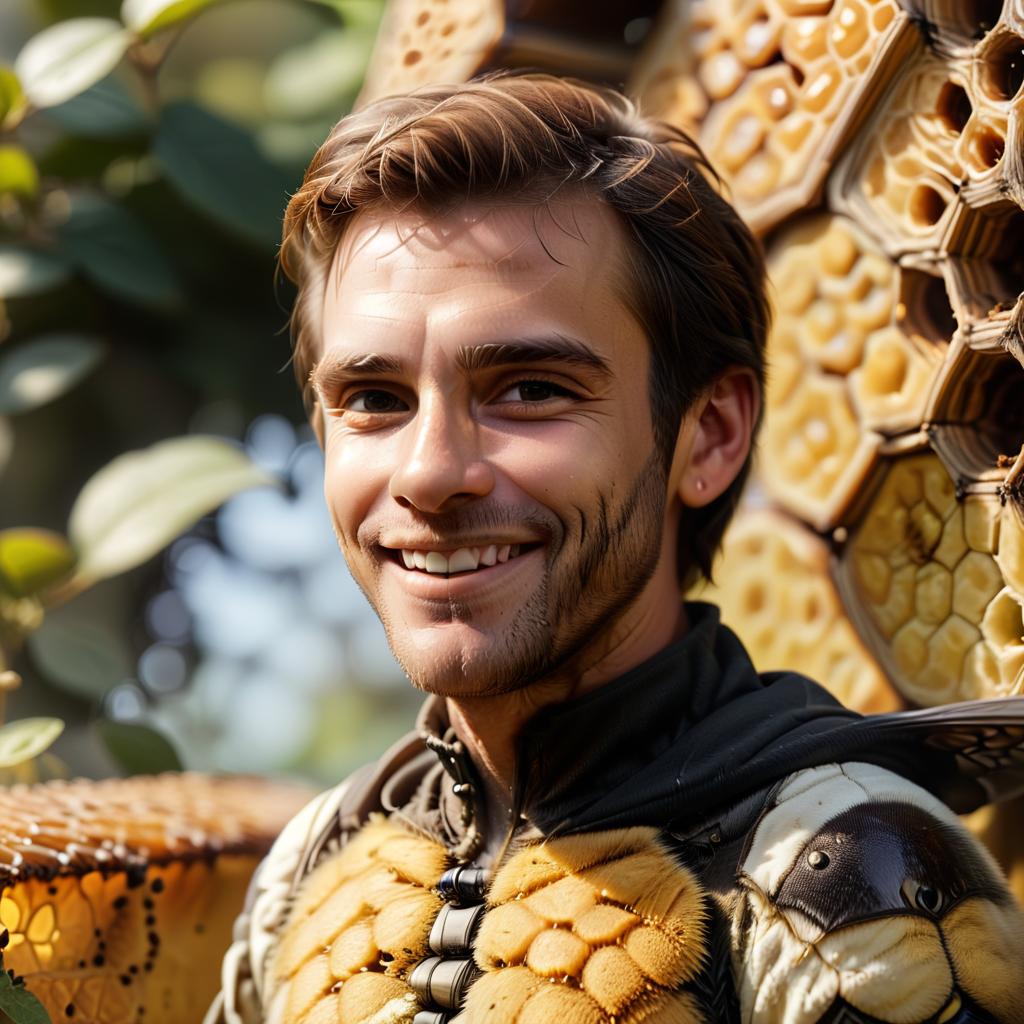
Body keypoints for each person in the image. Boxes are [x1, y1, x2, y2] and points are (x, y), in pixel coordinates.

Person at [205, 73, 1024, 1024]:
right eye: (375, 400)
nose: (429, 475)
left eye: (531, 389)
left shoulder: (847, 876)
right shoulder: (310, 867)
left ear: (709, 435)